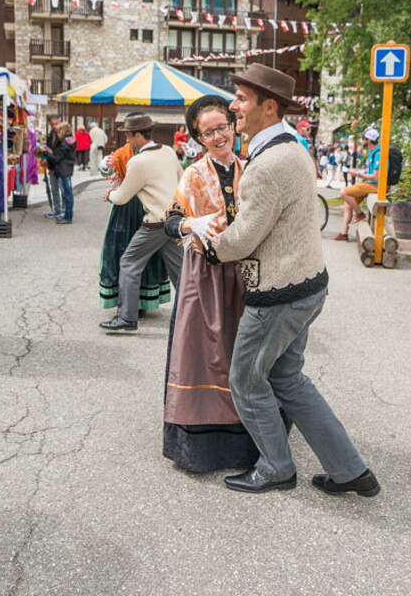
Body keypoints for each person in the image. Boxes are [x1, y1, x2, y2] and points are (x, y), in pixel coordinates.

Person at [202, 63, 379, 496]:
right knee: (288, 379)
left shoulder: (267, 163)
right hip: (307, 285)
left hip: (278, 294)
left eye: (242, 99)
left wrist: (209, 243)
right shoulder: (293, 147)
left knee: (246, 380)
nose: (233, 105)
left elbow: (242, 239)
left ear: (269, 106)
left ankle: (277, 468)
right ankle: (350, 470)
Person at [162, 94, 259, 472]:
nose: (218, 136)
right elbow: (170, 219)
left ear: (233, 127)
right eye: (208, 132)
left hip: (246, 274)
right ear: (198, 139)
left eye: (223, 127)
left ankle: (251, 442)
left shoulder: (251, 168)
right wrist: (191, 224)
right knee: (203, 355)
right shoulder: (192, 174)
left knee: (244, 354)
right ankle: (204, 448)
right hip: (205, 275)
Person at [99, 115, 183, 332]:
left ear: (138, 135)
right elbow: (182, 180)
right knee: (181, 271)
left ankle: (126, 318)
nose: (127, 140)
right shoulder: (169, 152)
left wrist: (110, 195)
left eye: (128, 135)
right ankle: (195, 313)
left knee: (128, 263)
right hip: (173, 219)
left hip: (154, 223)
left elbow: (123, 196)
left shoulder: (138, 162)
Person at [332, 128, 383, 241]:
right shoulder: (374, 152)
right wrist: (358, 170)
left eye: (363, 138)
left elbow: (376, 177)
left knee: (344, 192)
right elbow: (371, 171)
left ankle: (360, 213)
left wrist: (358, 174)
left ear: (368, 140)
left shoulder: (378, 154)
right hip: (370, 183)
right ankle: (343, 234)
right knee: (348, 205)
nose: (362, 140)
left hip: (374, 185)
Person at [46, 121, 77, 225]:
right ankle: (67, 214)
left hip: (63, 170)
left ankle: (68, 217)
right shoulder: (71, 140)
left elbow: (56, 158)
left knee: (67, 194)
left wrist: (46, 153)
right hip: (67, 169)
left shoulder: (64, 143)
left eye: (59, 130)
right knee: (68, 193)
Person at [44, 114, 63, 219]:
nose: (54, 126)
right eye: (52, 124)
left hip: (61, 166)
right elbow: (48, 147)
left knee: (63, 189)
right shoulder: (51, 135)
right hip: (52, 165)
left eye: (56, 124)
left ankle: (64, 210)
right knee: (54, 188)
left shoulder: (64, 135)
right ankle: (57, 209)